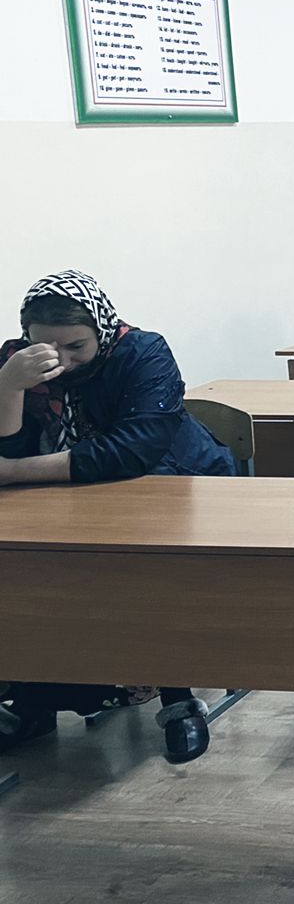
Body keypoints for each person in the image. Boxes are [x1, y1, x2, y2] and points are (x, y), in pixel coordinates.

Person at [0, 270, 233, 764]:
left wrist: (13, 472)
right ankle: (34, 702)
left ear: (100, 329)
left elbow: (132, 450)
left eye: (75, 347)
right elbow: (10, 446)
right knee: (30, 572)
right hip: (66, 495)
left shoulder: (142, 352)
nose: (61, 361)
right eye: (45, 347)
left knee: (146, 573)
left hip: (172, 484)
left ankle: (178, 700)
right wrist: (9, 386)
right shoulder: (16, 362)